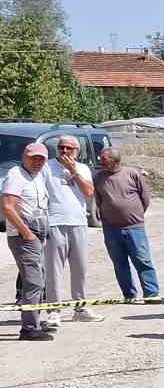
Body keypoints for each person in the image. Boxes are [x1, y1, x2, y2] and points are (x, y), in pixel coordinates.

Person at [42, 136, 104, 326]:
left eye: (69, 148)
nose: (65, 151)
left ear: (77, 151)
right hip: (54, 222)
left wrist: (73, 171)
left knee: (80, 268)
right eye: (61, 147)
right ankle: (54, 311)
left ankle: (81, 308)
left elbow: (89, 192)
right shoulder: (47, 167)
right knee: (54, 270)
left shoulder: (83, 168)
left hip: (78, 222)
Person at [93, 148, 164, 304]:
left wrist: (134, 215)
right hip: (110, 229)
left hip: (134, 227)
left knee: (142, 260)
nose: (100, 161)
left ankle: (151, 294)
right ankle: (129, 295)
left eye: (104, 158)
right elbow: (98, 200)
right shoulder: (98, 177)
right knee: (120, 263)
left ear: (115, 160)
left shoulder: (132, 173)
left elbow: (144, 198)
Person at [3, 142, 54, 340]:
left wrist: (42, 235)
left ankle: (34, 321)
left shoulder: (37, 175)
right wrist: (27, 233)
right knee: (33, 282)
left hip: (36, 235)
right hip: (24, 236)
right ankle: (29, 328)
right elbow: (7, 207)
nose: (37, 162)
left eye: (41, 158)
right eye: (33, 158)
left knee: (38, 279)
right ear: (24, 156)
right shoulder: (16, 175)